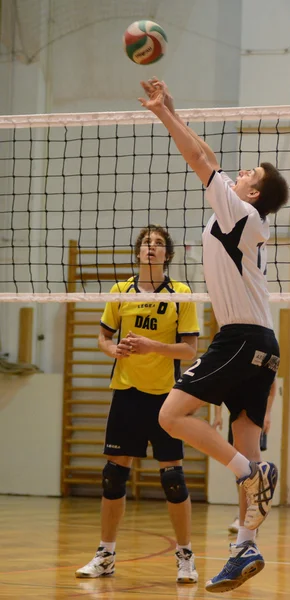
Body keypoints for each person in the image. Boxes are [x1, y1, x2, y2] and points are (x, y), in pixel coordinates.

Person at [139, 79, 288, 593]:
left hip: (241, 337)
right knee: (245, 443)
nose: (240, 172)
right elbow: (208, 154)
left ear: (252, 193)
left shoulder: (237, 211)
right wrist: (174, 108)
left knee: (171, 415)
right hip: (263, 343)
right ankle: (244, 546)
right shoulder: (241, 215)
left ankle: (254, 472)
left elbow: (197, 159)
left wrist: (162, 117)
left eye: (250, 174)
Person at [75, 225, 200, 584]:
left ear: (168, 255)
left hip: (166, 398)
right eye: (147, 243)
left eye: (159, 244)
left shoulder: (181, 293)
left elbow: (190, 350)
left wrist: (153, 347)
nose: (152, 248)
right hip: (126, 391)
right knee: (113, 476)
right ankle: (106, 555)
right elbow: (103, 335)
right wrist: (111, 349)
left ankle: (185, 556)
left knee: (173, 479)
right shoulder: (120, 291)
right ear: (138, 251)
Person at [212, 380, 277, 534]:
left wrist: (267, 413)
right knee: (239, 469)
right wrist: (218, 415)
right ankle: (243, 513)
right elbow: (218, 386)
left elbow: (272, 384)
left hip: (255, 414)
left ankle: (253, 514)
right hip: (237, 416)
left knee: (251, 464)